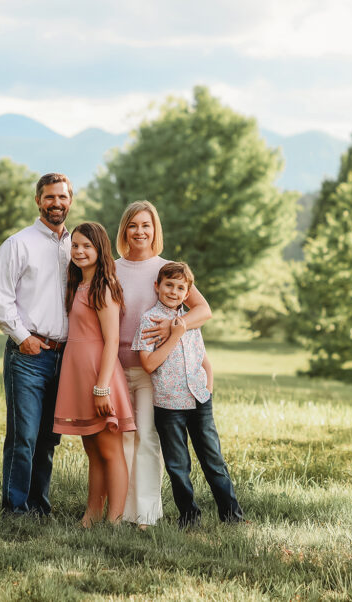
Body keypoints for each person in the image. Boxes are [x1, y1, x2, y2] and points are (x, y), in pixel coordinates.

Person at [114, 201, 212, 528]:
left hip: (149, 371)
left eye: (146, 225)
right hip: (113, 368)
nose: (140, 231)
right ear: (124, 230)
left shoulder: (167, 269)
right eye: (133, 225)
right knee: (118, 440)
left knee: (145, 438)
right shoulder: (112, 269)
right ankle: (118, 511)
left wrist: (175, 327)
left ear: (155, 229)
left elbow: (202, 310)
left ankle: (145, 515)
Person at [0, 173, 73, 516]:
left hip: (63, 356)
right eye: (50, 197)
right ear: (38, 200)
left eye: (62, 197)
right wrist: (24, 339)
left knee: (49, 438)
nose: (56, 203)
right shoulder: (17, 244)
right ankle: (14, 508)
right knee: (24, 437)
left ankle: (39, 506)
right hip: (28, 355)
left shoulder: (74, 245)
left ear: (70, 201)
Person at [133, 261, 245, 527]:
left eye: (180, 288)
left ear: (187, 293)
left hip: (199, 399)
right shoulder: (149, 320)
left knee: (213, 460)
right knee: (178, 466)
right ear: (157, 286)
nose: (173, 291)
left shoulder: (190, 319)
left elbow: (202, 356)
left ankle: (232, 516)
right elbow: (148, 364)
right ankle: (189, 517)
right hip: (169, 404)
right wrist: (174, 334)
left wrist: (209, 384)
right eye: (168, 285)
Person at [53, 222, 136, 526]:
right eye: (75, 245)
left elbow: (112, 339)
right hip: (77, 374)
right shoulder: (79, 284)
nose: (79, 251)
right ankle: (92, 514)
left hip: (100, 376)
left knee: (110, 449)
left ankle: (114, 520)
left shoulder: (104, 286)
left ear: (100, 249)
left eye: (87, 246)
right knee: (92, 448)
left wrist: (102, 388)